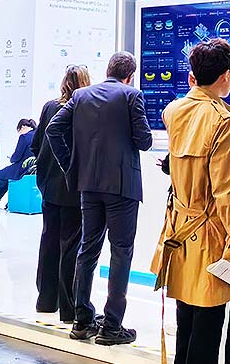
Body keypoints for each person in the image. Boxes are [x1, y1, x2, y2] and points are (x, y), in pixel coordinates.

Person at [151, 39, 230, 364]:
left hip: (178, 230)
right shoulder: (222, 121)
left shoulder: (174, 111)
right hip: (212, 236)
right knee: (211, 329)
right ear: (225, 76)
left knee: (186, 323)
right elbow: (228, 191)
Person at [47, 51, 153, 346]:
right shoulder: (132, 96)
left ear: (108, 70)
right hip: (122, 187)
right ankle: (112, 326)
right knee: (121, 253)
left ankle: (82, 320)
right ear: (130, 75)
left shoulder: (81, 95)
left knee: (87, 250)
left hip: (88, 185)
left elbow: (54, 129)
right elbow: (144, 141)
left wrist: (71, 166)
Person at [33, 66, 88, 322]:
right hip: (74, 189)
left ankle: (46, 301)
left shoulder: (49, 107)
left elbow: (36, 145)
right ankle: (69, 307)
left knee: (49, 241)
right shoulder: (85, 110)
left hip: (49, 186)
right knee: (72, 247)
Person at [0, 118, 37, 208]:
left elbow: (17, 156)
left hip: (23, 168)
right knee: (8, 173)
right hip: (36, 167)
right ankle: (10, 202)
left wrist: (11, 159)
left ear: (22, 127)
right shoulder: (39, 135)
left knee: (0, 175)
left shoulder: (24, 137)